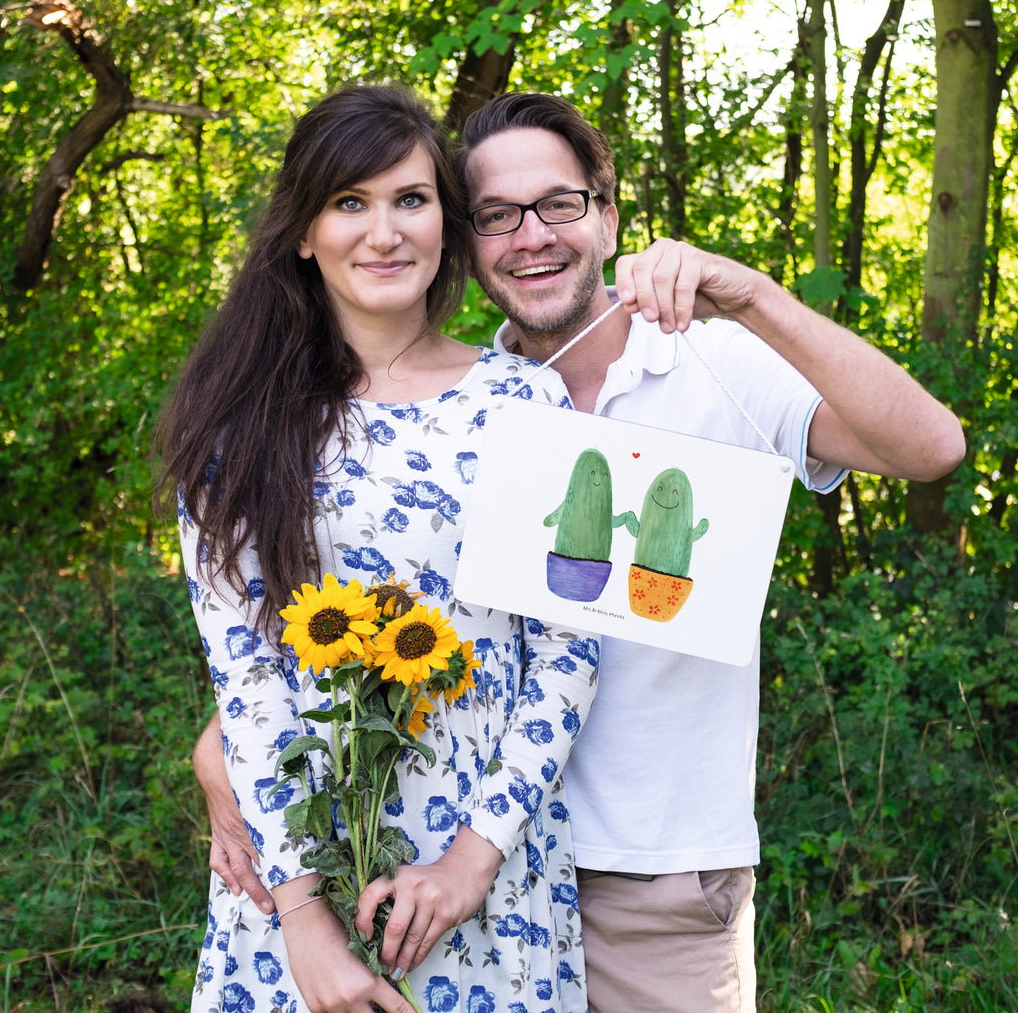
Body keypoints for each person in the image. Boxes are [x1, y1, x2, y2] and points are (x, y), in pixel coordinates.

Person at [196, 91, 966, 1013]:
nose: (531, 236)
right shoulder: (453, 405)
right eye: (496, 215)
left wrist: (753, 295)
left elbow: (931, 450)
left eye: (559, 204)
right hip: (412, 863)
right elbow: (324, 623)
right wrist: (229, 760)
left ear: (606, 214)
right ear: (468, 239)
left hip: (644, 876)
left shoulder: (705, 362)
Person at [157, 85, 601, 1013]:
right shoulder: (238, 426)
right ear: (303, 233)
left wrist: (473, 862)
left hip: (486, 875)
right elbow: (247, 679)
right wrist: (305, 926)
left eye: (411, 199)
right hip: (295, 875)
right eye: (349, 203)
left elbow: (567, 650)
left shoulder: (525, 404)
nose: (384, 232)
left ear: (446, 219)